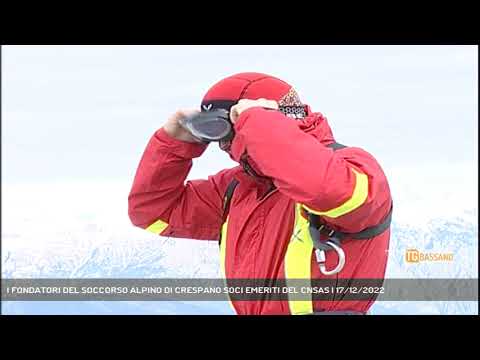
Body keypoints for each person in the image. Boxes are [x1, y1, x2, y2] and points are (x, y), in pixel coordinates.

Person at [128, 72, 392, 315]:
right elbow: (153, 212)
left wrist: (258, 122)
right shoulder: (237, 188)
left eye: (229, 129)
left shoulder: (353, 167)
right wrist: (173, 143)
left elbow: (329, 191)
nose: (222, 145)